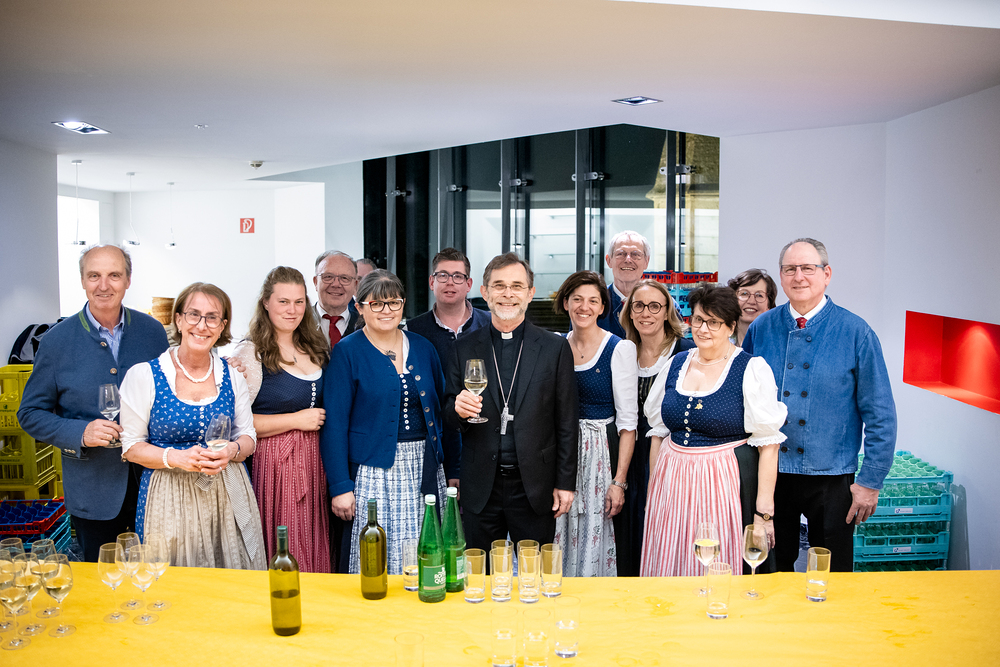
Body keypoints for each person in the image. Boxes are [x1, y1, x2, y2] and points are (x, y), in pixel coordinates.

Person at [743, 238, 897, 572]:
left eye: (807, 268)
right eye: (790, 269)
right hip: (770, 471)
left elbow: (881, 414)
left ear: (826, 274)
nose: (798, 276)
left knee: (832, 570)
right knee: (769, 568)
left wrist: (870, 481)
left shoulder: (856, 332)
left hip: (832, 474)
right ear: (781, 276)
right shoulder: (761, 328)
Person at [18, 245, 169, 563]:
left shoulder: (153, 333)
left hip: (152, 483)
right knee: (103, 579)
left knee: (156, 572)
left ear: (128, 280)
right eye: (94, 276)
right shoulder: (56, 342)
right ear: (83, 281)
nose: (104, 285)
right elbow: (30, 414)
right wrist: (80, 432)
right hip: (93, 491)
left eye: (114, 275)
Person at [641, 286, 786, 577]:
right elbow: (658, 433)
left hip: (721, 482)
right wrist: (653, 494)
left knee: (714, 560)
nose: (703, 329)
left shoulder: (750, 369)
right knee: (670, 556)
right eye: (697, 320)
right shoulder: (677, 364)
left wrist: (763, 514)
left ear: (731, 326)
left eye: (713, 322)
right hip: (671, 483)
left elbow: (768, 445)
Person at [319, 270, 457, 575]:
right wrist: (340, 486)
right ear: (360, 307)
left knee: (426, 548)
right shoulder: (348, 351)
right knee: (379, 553)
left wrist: (454, 470)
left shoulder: (423, 347)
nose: (386, 310)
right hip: (373, 472)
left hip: (424, 466)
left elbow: (444, 412)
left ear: (403, 304)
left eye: (394, 302)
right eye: (377, 303)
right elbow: (335, 425)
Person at [120, 283, 266, 569]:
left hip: (227, 492)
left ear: (222, 326)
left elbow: (248, 436)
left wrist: (232, 450)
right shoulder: (144, 375)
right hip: (169, 494)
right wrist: (177, 458)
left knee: (232, 576)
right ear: (178, 319)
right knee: (175, 578)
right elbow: (131, 447)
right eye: (193, 314)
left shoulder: (232, 375)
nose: (202, 325)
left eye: (212, 317)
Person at [444, 253, 578, 552]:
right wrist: (457, 410)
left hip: (535, 486)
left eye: (517, 286)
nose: (508, 294)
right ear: (485, 292)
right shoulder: (464, 347)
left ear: (530, 293)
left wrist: (565, 483)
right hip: (481, 485)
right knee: (479, 570)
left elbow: (567, 422)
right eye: (499, 285)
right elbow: (448, 415)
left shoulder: (555, 348)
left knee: (534, 571)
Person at [231, 267, 331, 572]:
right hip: (276, 463)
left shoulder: (314, 345)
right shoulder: (251, 352)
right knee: (289, 541)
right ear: (266, 302)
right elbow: (239, 426)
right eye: (283, 302)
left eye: (299, 302)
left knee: (315, 537)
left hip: (315, 459)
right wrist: (295, 420)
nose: (292, 310)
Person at [552, 271, 637, 577]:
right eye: (577, 299)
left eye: (592, 301)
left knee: (594, 530)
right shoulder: (554, 345)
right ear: (565, 303)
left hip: (599, 456)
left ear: (602, 307)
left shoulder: (619, 348)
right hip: (561, 452)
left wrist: (618, 481)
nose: (584, 307)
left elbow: (628, 423)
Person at [617, 278, 695, 575]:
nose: (646, 313)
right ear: (629, 312)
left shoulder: (686, 352)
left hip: (670, 456)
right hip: (628, 455)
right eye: (638, 306)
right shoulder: (623, 352)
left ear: (666, 312)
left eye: (654, 306)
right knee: (629, 530)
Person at [406, 247, 491, 365]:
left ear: (468, 284)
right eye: (442, 275)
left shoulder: (491, 324)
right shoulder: (411, 331)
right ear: (432, 282)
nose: (450, 282)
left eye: (458, 276)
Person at [597, 231, 651, 338]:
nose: (628, 260)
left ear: (646, 261)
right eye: (620, 254)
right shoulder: (593, 303)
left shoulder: (665, 304)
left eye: (636, 254)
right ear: (609, 260)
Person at [313, 250, 361, 348]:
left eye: (344, 278)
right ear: (315, 282)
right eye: (328, 277)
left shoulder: (367, 326)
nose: (336, 284)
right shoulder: (298, 322)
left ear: (355, 285)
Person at [727, 269, 777, 346]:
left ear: (769, 306)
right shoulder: (720, 347)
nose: (751, 301)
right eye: (744, 293)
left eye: (759, 295)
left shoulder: (778, 347)